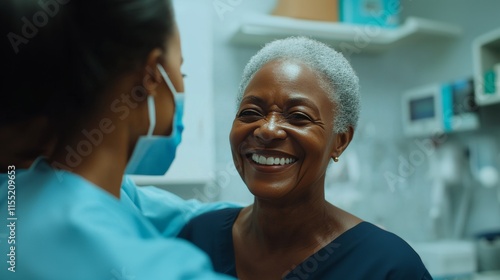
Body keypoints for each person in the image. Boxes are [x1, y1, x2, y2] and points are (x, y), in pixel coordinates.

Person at [0, 1, 235, 279]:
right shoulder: (159, 270)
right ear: (150, 74)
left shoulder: (15, 187)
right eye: (180, 71)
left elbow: (172, 211)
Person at [178, 37, 433, 279]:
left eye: (299, 116)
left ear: (340, 141)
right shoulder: (198, 238)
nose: (268, 129)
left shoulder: (388, 267)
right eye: (251, 112)